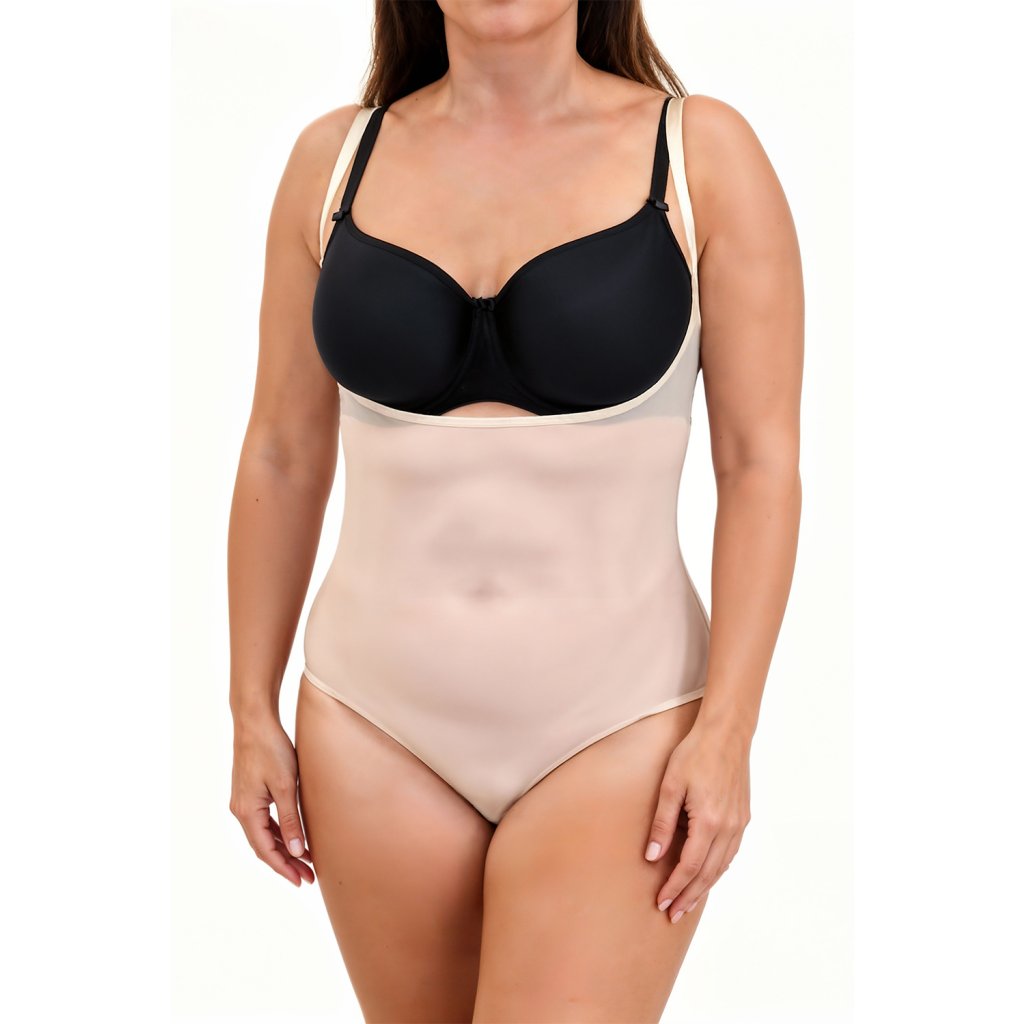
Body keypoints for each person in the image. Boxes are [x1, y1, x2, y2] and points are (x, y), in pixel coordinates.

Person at [227, 1, 803, 1019]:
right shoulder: (333, 163)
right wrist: (249, 710)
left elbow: (760, 466)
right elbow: (281, 449)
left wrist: (727, 731)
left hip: (620, 725)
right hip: (372, 725)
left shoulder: (701, 155)